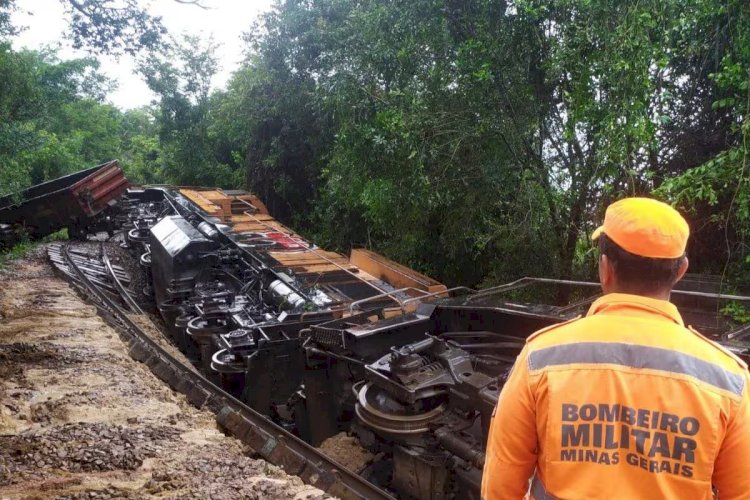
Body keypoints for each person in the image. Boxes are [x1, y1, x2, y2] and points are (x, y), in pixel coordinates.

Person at [481, 197, 750, 499]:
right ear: (681, 271)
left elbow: (500, 486)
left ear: (605, 268)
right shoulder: (730, 380)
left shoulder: (539, 359)